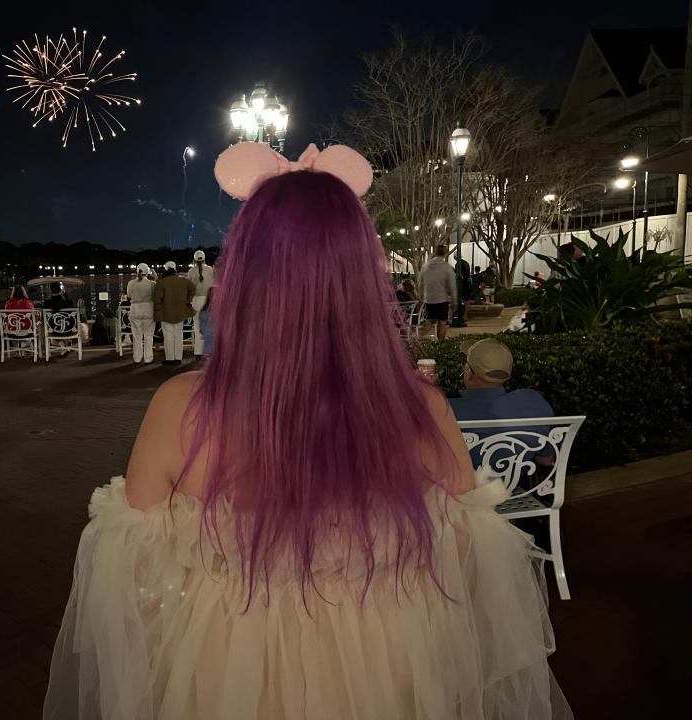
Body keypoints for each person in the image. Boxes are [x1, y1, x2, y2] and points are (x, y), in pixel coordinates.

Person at [44, 143, 569, 719]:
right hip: (385, 656)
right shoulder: (420, 409)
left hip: (226, 664)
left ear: (241, 275)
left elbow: (132, 586)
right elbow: (471, 565)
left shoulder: (181, 407)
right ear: (362, 278)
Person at [449, 338, 555, 467]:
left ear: (468, 371)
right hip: (510, 485)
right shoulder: (534, 401)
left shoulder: (445, 409)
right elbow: (545, 460)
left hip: (459, 485)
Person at [153, 261, 195, 366]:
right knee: (178, 335)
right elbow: (193, 289)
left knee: (168, 336)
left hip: (166, 313)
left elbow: (156, 298)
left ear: (166, 269)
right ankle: (178, 358)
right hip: (180, 312)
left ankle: (170, 358)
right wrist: (187, 300)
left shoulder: (162, 282)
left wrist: (157, 311)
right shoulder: (183, 281)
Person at [418, 245, 457, 339]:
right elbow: (452, 286)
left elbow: (420, 283)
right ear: (445, 253)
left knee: (430, 321)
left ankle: (417, 338)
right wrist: (454, 301)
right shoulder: (446, 267)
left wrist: (421, 296)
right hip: (441, 299)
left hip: (429, 299)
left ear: (435, 252)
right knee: (442, 322)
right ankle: (441, 344)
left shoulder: (425, 266)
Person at [126, 263, 155, 364]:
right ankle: (148, 358)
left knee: (136, 335)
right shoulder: (151, 284)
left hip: (135, 309)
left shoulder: (131, 283)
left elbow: (129, 295)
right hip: (148, 309)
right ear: (147, 272)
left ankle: (137, 358)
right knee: (148, 335)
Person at [187, 250, 214, 357]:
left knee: (196, 326)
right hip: (208, 300)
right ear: (204, 259)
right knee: (208, 326)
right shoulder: (210, 269)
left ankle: (197, 351)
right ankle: (208, 350)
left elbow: (189, 288)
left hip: (196, 300)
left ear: (194, 259)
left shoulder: (191, 271)